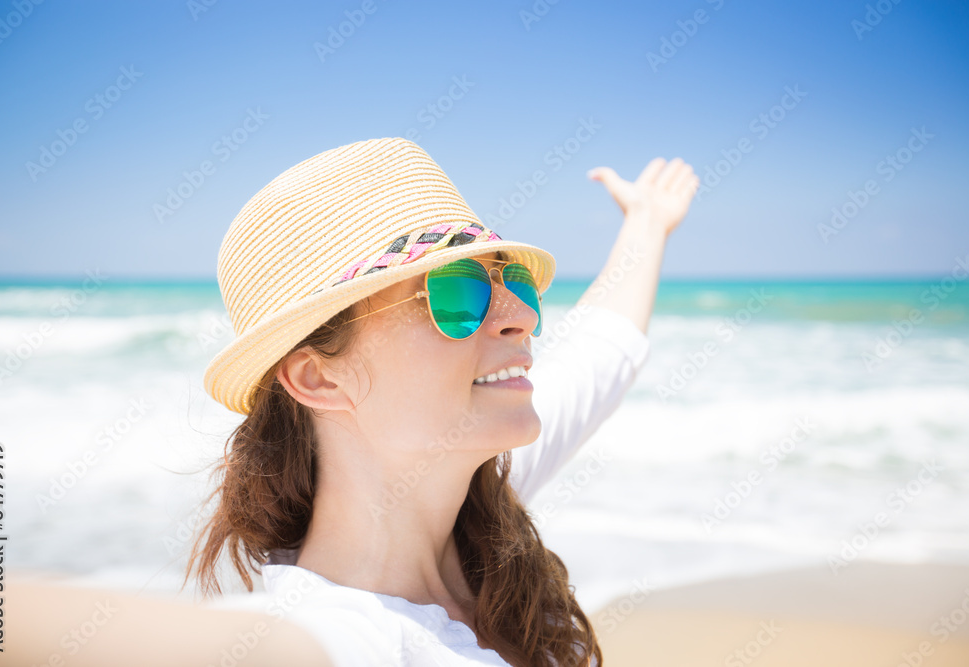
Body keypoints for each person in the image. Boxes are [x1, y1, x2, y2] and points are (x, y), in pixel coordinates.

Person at [185, 137, 699, 666]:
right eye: (456, 291)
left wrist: (647, 222)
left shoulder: (480, 514)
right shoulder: (338, 635)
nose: (519, 315)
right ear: (318, 378)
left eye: (512, 279)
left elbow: (601, 350)